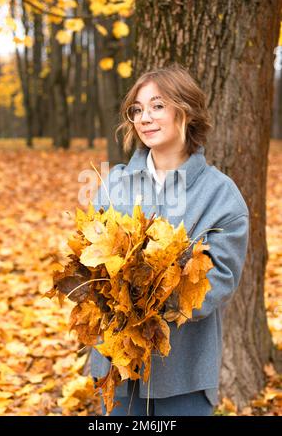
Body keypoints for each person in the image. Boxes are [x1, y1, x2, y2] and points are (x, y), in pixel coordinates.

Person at [89, 62, 250, 416]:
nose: (144, 117)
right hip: (117, 371)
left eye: (157, 106)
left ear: (186, 111)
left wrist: (149, 296)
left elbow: (218, 281)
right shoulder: (115, 184)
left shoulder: (221, 195)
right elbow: (92, 261)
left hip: (184, 376)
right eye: (137, 109)